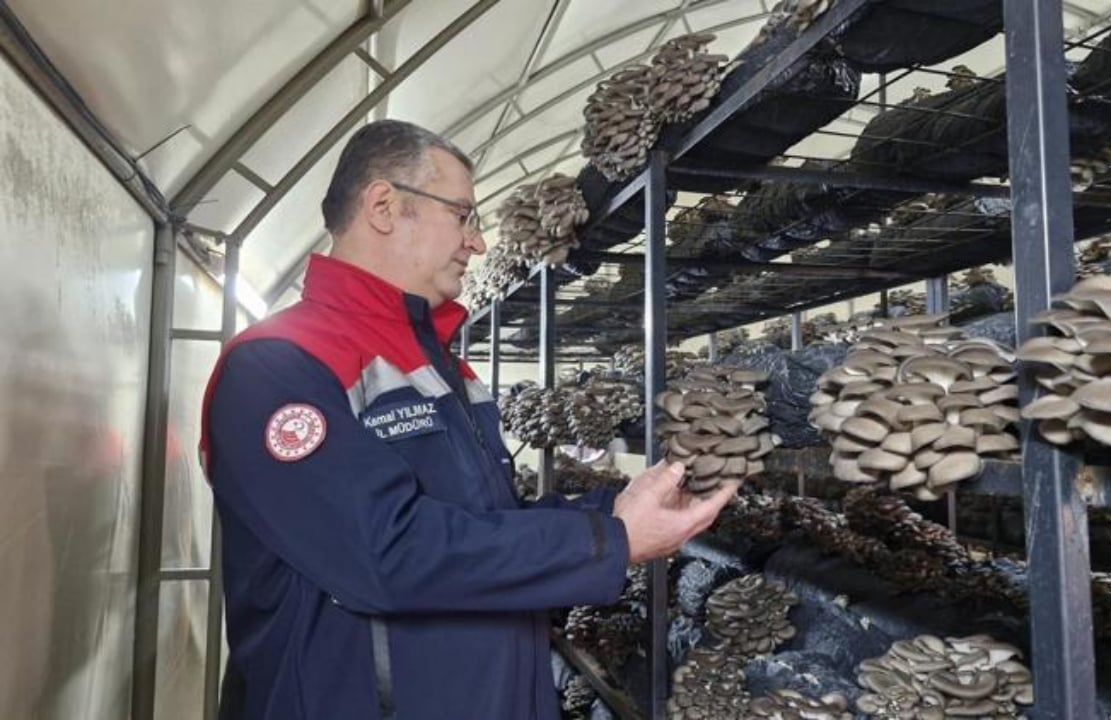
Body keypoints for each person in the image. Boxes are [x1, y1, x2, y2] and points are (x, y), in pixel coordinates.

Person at [199, 119, 741, 720]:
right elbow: (387, 554)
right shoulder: (278, 366)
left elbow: (485, 527)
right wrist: (609, 542)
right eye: (462, 215)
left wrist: (613, 509)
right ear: (384, 206)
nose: (476, 243)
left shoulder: (449, 371)